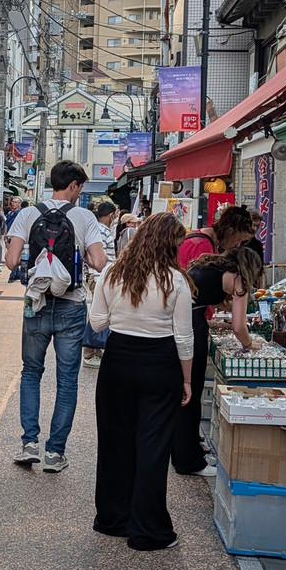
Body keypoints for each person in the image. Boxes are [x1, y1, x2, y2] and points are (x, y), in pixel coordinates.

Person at [87, 212, 195, 550]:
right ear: (170, 244)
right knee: (153, 446)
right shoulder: (176, 281)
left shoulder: (112, 272)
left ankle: (112, 518)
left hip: (118, 361)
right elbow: (184, 338)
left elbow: (96, 324)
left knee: (115, 440)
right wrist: (187, 380)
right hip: (160, 365)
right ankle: (148, 529)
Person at [6, 161, 108, 472]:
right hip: (71, 305)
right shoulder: (83, 217)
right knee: (66, 381)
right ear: (74, 185)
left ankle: (29, 444)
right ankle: (54, 453)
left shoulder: (27, 214)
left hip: (36, 303)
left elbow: (10, 262)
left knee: (31, 372)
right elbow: (101, 262)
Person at [171, 246, 264, 477]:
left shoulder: (209, 266)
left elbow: (198, 299)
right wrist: (249, 344)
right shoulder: (238, 280)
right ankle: (188, 460)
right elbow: (240, 326)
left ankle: (187, 451)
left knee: (185, 392)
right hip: (191, 328)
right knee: (190, 392)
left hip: (181, 321)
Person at [82, 202, 120, 368]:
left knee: (99, 311)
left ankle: (95, 350)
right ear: (110, 214)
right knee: (99, 312)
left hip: (99, 275)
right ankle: (90, 351)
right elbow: (100, 258)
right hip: (100, 275)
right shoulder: (102, 231)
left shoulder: (97, 229)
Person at [178, 205, 255, 268]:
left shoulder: (206, 239)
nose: (238, 245)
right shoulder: (203, 246)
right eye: (238, 239)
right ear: (230, 231)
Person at [5, 196, 24, 282]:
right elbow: (6, 225)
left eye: (16, 202)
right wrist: (5, 236)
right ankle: (16, 273)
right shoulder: (9, 213)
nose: (14, 203)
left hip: (16, 237)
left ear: (19, 204)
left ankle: (13, 275)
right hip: (9, 235)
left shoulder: (20, 214)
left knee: (14, 255)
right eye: (13, 202)